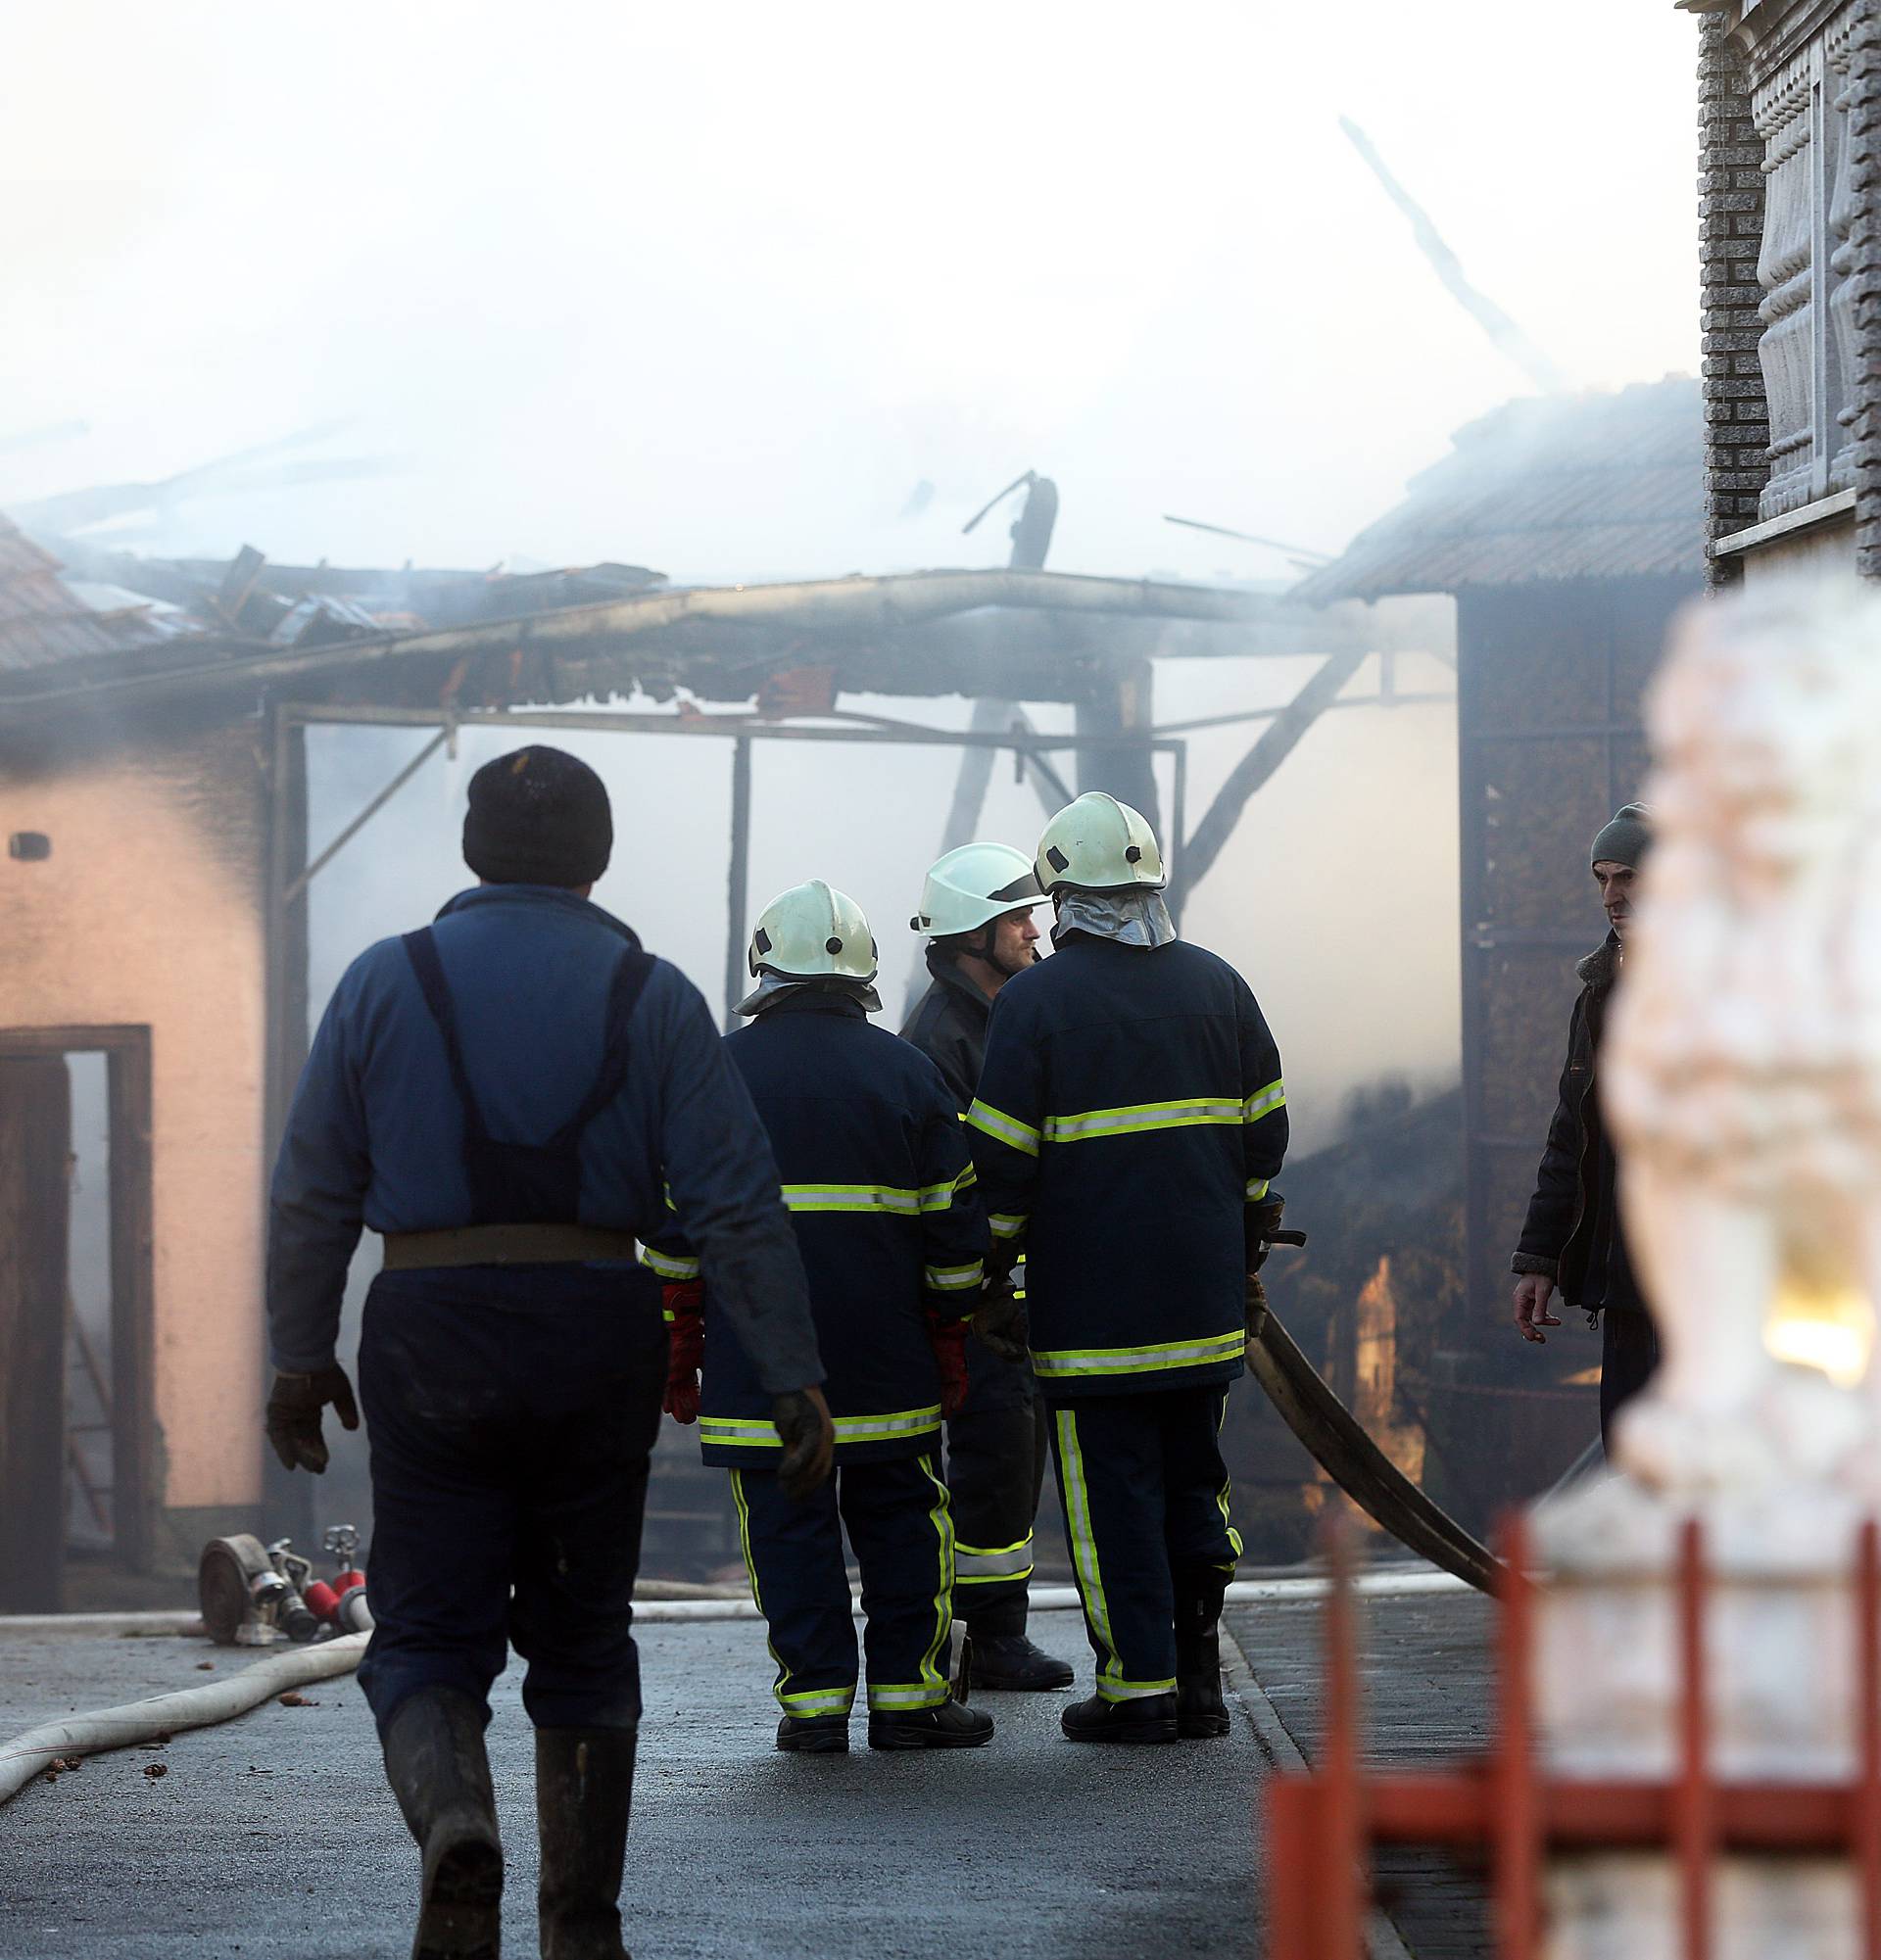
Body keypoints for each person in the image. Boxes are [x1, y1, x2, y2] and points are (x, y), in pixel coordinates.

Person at [265, 745, 832, 1960]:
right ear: (600, 855)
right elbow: (736, 1200)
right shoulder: (655, 994)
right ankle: (583, 1929)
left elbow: (314, 1189)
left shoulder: (382, 982)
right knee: (582, 1638)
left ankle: (456, 1821)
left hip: (431, 1332)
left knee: (424, 1633)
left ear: (473, 851)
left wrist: (300, 1355)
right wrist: (791, 1373)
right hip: (595, 1323)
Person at [964, 792, 1287, 1745]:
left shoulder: (1032, 1005)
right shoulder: (1220, 987)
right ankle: (1202, 1685)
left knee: (1114, 1504)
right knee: (1198, 1484)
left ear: (1062, 895)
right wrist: (1240, 1227)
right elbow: (1265, 1136)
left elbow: (1003, 1172)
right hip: (1202, 1303)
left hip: (1094, 1316)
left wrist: (990, 1270)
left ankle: (1138, 1689)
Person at [653, 880, 997, 1753]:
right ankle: (909, 1702)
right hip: (889, 1362)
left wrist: (682, 1338)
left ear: (764, 969)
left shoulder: (712, 1070)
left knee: (784, 1526)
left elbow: (672, 1237)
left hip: (759, 1365)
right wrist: (950, 1330)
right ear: (862, 973)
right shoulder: (909, 1071)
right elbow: (956, 1234)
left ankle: (812, 1705)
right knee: (903, 1524)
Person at [900, 843, 1072, 1693]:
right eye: (1016, 918)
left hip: (1015, 1287)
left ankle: (992, 1632)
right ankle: (991, 1638)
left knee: (1013, 1455)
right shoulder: (944, 1034)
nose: (1035, 930)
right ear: (972, 931)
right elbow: (969, 1174)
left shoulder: (1000, 1014)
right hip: (979, 1293)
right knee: (994, 1456)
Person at [1511, 801, 1661, 1448]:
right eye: (1602, 878)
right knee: (1630, 1462)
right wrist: (1540, 1257)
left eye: (1626, 875)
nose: (1610, 895)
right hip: (1624, 1284)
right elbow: (1571, 1135)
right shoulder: (1600, 991)